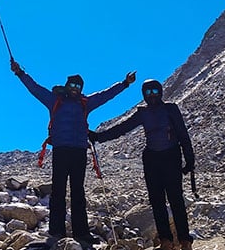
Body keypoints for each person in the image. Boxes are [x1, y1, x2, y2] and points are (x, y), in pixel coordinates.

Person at [11, 59, 135, 245]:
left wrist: (124, 84)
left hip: (78, 152)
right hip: (61, 150)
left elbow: (106, 95)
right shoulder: (54, 100)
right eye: (72, 84)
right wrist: (20, 73)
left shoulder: (86, 103)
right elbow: (34, 88)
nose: (75, 87)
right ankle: (56, 231)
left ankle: (81, 233)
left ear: (81, 88)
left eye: (78, 85)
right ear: (67, 85)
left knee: (78, 192)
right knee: (58, 191)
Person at [90, 79, 196, 250]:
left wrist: (189, 159)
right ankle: (166, 241)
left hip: (171, 156)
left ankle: (185, 241)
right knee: (157, 201)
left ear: (160, 92)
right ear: (144, 95)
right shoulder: (142, 113)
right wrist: (99, 137)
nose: (152, 95)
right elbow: (122, 128)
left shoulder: (170, 108)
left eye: (155, 91)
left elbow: (183, 134)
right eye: (148, 92)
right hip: (152, 159)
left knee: (176, 200)